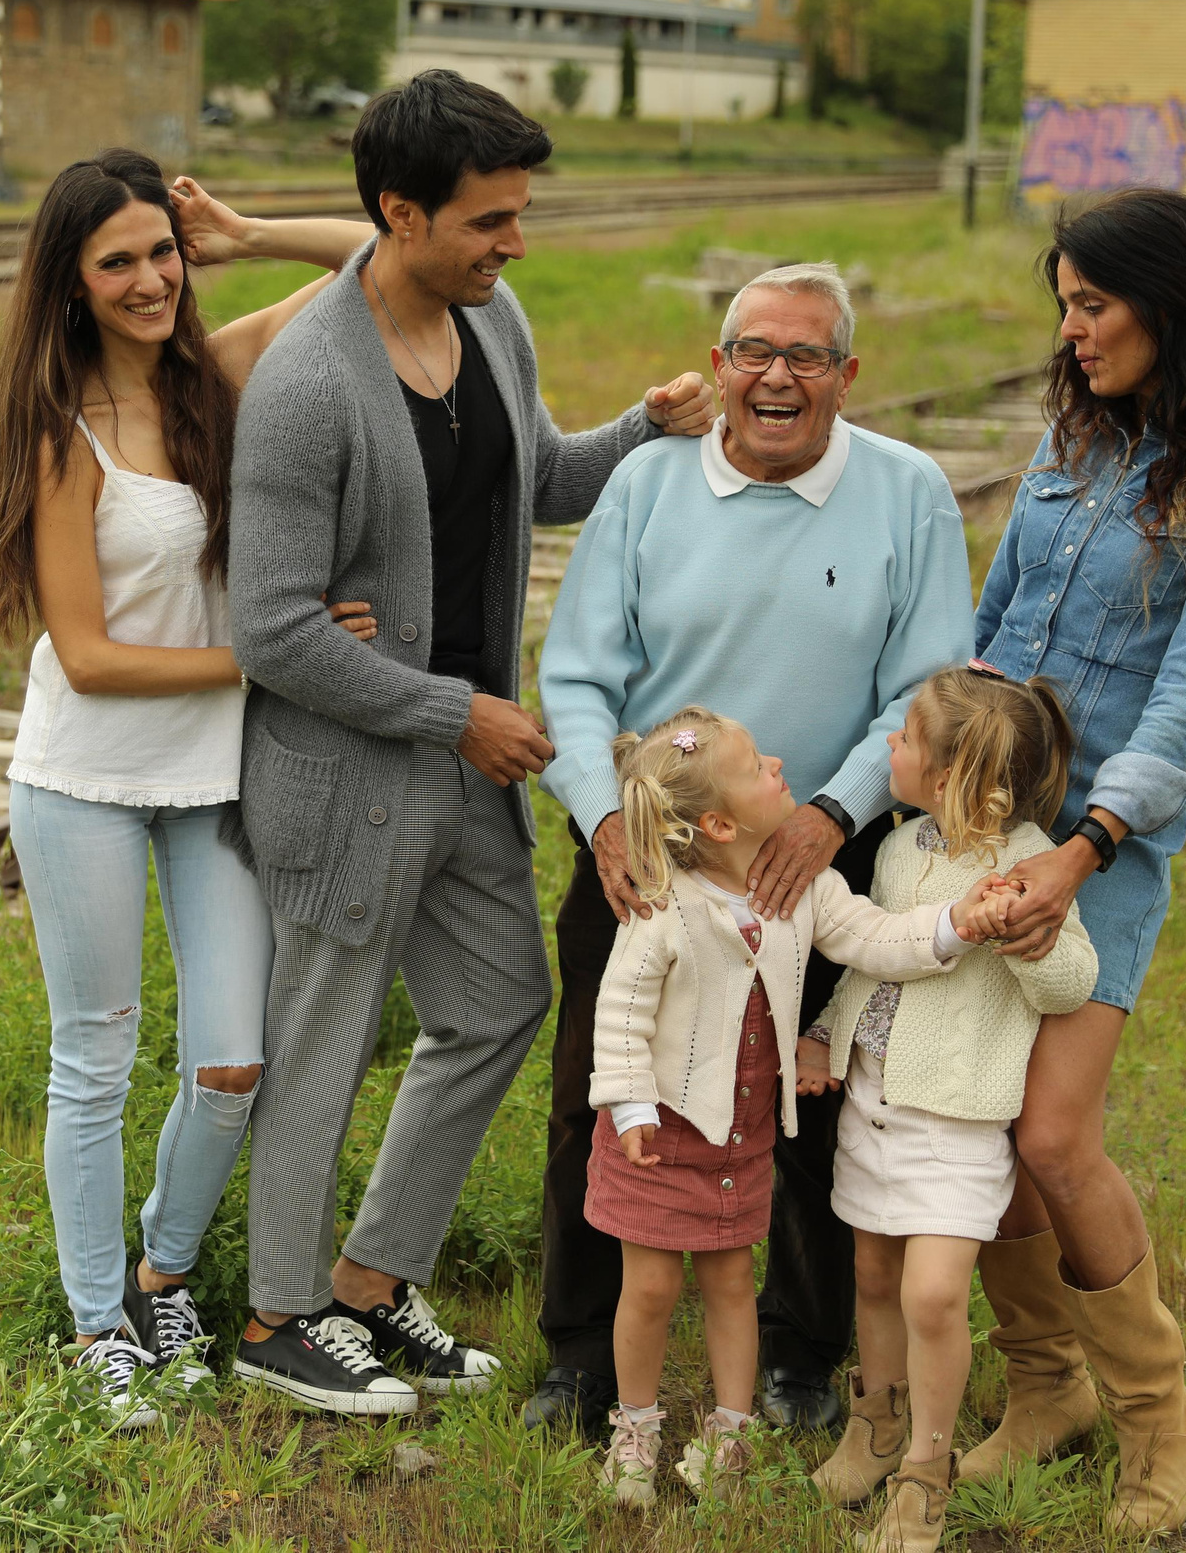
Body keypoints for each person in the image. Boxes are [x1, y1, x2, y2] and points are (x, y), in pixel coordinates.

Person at [223, 71, 717, 1417]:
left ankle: (370, 1283)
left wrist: (645, 432)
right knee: (323, 1038)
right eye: (490, 220)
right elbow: (270, 627)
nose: (516, 243)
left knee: (497, 1001)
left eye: (518, 214)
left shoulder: (491, 325)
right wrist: (457, 710)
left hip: (461, 767)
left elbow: (535, 478)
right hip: (347, 776)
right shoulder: (308, 383)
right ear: (401, 212)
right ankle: (276, 1316)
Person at [532, 262, 976, 1434]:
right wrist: (606, 818)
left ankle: (796, 1355)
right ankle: (579, 1354)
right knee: (598, 1085)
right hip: (647, 847)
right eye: (753, 352)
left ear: (846, 374)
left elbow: (925, 687)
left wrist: (831, 812)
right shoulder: (646, 482)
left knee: (810, 1097)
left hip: (816, 849)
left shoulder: (908, 491)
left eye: (807, 356)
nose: (777, 376)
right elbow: (575, 675)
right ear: (720, 365)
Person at [0, 149, 381, 1425]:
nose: (150, 279)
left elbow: (375, 260)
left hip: (211, 782)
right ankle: (97, 1323)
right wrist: (273, 654)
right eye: (118, 262)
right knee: (93, 1062)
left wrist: (244, 232)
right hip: (83, 783)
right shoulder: (62, 431)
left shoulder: (221, 375)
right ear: (71, 282)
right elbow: (89, 659)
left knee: (231, 1065)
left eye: (161, 250)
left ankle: (162, 1271)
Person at [955, 189, 1186, 1537]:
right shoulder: (1071, 438)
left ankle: (1157, 1411)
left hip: (1100, 846)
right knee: (980, 1124)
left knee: (1054, 1136)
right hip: (985, 826)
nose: (1071, 329)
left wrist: (1080, 850)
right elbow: (992, 628)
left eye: (1093, 304)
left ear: (1170, 305)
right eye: (1063, 303)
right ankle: (1042, 1387)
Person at [585, 706, 1001, 1509]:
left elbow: (877, 938)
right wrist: (631, 1107)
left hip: (736, 1138)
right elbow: (622, 1012)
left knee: (731, 1282)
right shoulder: (666, 904)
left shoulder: (807, 889)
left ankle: (730, 1433)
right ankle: (634, 1430)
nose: (778, 763)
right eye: (756, 765)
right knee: (650, 1288)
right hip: (657, 1133)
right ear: (718, 822)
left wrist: (955, 925)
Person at [796, 666, 1097, 1552]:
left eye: (905, 739)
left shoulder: (1030, 863)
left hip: (958, 1119)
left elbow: (1072, 983)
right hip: (875, 1104)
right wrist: (824, 1032)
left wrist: (1021, 932)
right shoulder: (898, 848)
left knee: (932, 1294)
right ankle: (878, 1426)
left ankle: (926, 1472)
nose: (889, 745)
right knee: (875, 1277)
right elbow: (873, 956)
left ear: (951, 772)